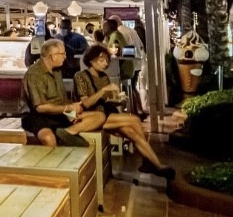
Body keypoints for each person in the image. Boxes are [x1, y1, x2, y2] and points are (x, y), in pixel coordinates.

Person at [74, 45, 174, 179]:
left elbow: (108, 100)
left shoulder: (103, 77)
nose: (105, 63)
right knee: (135, 120)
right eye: (101, 60)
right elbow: (85, 103)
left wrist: (119, 100)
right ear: (91, 60)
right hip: (92, 116)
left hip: (108, 113)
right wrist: (103, 91)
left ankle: (154, 164)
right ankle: (151, 163)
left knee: (134, 134)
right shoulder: (80, 76)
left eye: (107, 61)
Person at [21, 39, 100, 147]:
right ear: (53, 56)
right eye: (63, 54)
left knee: (99, 116)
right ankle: (63, 143)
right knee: (48, 137)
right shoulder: (34, 74)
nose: (65, 57)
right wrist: (68, 108)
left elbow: (61, 99)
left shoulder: (57, 70)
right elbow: (40, 107)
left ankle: (67, 133)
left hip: (58, 113)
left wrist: (74, 108)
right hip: (36, 116)